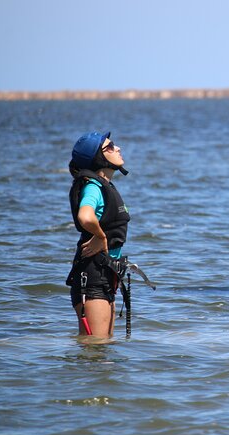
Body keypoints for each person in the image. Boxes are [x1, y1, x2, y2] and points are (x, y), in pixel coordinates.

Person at [66, 131, 130, 337]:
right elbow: (85, 216)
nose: (117, 148)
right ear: (97, 158)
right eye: (110, 147)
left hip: (105, 274)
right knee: (95, 351)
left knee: (103, 352)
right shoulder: (93, 187)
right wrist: (101, 237)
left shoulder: (104, 186)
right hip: (91, 277)